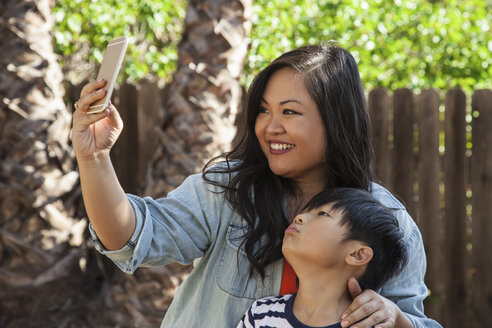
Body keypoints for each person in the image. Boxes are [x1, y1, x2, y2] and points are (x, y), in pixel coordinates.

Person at [72, 43, 442, 327]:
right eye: (264, 110)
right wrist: (94, 158)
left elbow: (414, 320)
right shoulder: (227, 189)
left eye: (290, 112)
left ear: (336, 122)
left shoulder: (389, 221)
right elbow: (131, 237)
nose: (270, 126)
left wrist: (396, 318)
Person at [237, 188, 408, 328]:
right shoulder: (260, 314)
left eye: (322, 214)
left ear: (357, 254)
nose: (299, 217)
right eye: (305, 211)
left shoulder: (370, 326)